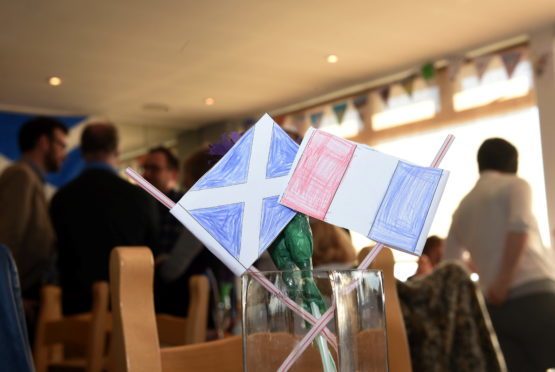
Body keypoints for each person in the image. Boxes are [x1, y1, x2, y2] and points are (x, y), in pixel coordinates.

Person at [445, 138, 555, 371]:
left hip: (495, 309)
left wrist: (488, 274)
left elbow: (451, 266)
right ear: (512, 162)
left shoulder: (462, 209)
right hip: (535, 295)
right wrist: (504, 280)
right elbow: (519, 226)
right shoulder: (516, 185)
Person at [50, 122, 159, 315]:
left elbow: (53, 253)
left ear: (83, 151)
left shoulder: (61, 199)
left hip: (77, 310)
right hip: (128, 307)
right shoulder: (140, 198)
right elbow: (152, 252)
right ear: (118, 150)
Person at [0, 116, 68, 303]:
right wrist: (12, 298)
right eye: (61, 146)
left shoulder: (32, 179)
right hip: (20, 297)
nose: (64, 154)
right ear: (44, 142)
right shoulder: (21, 175)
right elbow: (8, 239)